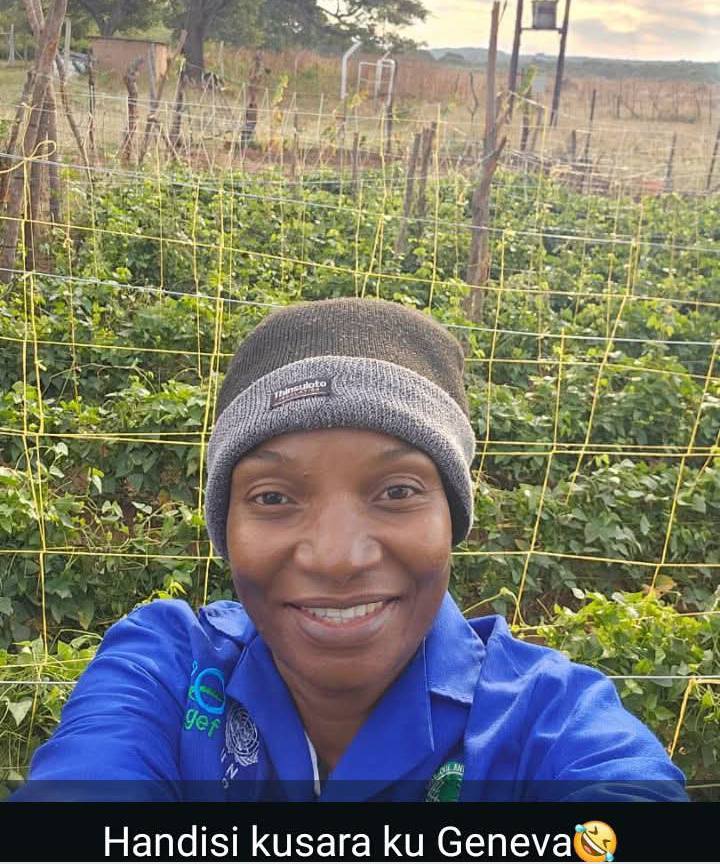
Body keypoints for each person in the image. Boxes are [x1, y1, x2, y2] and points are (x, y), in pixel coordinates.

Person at [14, 298, 686, 802]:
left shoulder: (552, 721)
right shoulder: (163, 670)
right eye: (273, 497)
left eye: (397, 491)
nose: (336, 558)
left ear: (451, 519)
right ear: (226, 527)